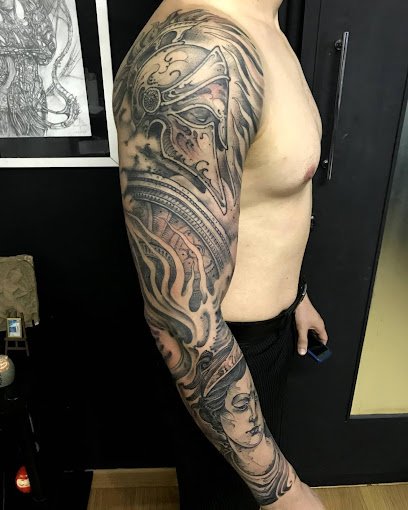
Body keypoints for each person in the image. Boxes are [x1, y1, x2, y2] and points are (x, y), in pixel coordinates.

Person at [113, 0, 329, 508]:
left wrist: (296, 293)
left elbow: (265, 189)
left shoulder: (262, 21)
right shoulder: (202, 50)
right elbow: (180, 322)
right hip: (220, 359)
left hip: (266, 338)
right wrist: (284, 491)